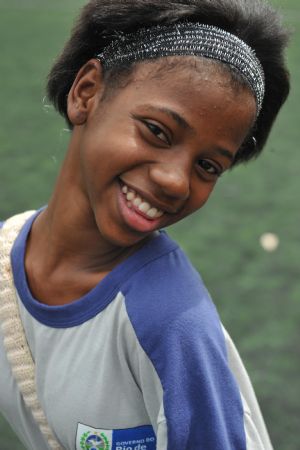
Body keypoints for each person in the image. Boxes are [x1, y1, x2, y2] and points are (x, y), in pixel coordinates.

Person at [0, 0, 290, 449]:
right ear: (87, 91)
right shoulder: (6, 259)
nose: (176, 181)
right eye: (157, 131)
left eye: (209, 166)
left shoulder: (168, 321)